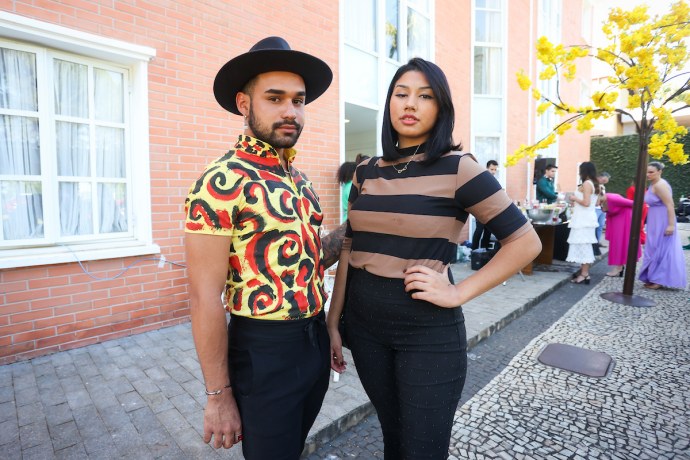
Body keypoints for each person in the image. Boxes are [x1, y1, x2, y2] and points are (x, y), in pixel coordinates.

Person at [325, 58, 541, 459]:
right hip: (366, 326)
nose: (411, 104)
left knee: (424, 449)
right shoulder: (366, 171)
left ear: (440, 107)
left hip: (426, 330)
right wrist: (333, 321)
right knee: (393, 438)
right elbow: (351, 245)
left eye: (424, 96)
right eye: (401, 94)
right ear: (389, 103)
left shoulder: (460, 168)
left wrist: (458, 293)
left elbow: (526, 243)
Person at [184, 36, 344, 459]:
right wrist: (218, 395)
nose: (291, 111)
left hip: (312, 342)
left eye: (299, 100)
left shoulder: (302, 181)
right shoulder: (220, 183)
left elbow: (304, 259)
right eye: (275, 98)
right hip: (263, 351)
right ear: (243, 103)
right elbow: (204, 297)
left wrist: (357, 227)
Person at [638, 162, 687, 290]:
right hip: (655, 219)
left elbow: (670, 205)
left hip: (663, 220)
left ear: (660, 171)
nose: (648, 175)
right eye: (647, 172)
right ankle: (653, 276)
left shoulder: (660, 185)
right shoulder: (653, 184)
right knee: (653, 248)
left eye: (651, 172)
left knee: (662, 248)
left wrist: (671, 225)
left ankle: (659, 279)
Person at [566, 162, 599, 284]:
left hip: (583, 219)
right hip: (586, 217)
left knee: (584, 245)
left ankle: (584, 274)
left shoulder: (587, 183)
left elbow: (586, 203)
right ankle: (583, 272)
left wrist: (574, 198)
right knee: (583, 244)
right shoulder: (595, 184)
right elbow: (596, 202)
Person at [603, 193, 641, 277]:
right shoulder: (605, 200)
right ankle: (621, 267)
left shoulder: (612, 198)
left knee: (624, 242)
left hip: (625, 219)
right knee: (618, 243)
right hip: (617, 220)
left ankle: (625, 268)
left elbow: (635, 203)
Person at [471, 159, 499, 250]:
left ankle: (484, 253)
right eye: (492, 169)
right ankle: (474, 252)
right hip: (480, 209)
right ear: (487, 168)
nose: (494, 172)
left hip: (490, 210)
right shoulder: (481, 178)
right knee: (479, 231)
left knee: (488, 232)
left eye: (495, 170)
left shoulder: (494, 180)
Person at [626, 179, 648, 245]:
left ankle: (641, 239)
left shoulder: (632, 189)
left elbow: (629, 200)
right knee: (641, 223)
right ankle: (643, 238)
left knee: (634, 223)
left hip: (636, 207)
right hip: (645, 207)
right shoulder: (645, 190)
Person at [595, 171, 610, 247]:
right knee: (594, 225)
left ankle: (597, 241)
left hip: (601, 209)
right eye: (603, 180)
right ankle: (593, 243)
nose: (604, 182)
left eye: (606, 182)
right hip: (596, 208)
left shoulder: (603, 186)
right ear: (599, 177)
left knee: (600, 225)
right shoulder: (594, 185)